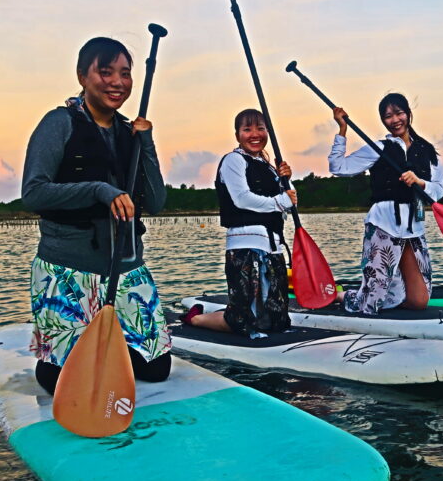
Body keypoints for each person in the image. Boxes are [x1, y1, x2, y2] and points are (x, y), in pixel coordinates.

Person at [21, 36, 171, 394]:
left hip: (126, 265)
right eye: (105, 72)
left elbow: (157, 202)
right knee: (62, 381)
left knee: (157, 369)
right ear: (82, 76)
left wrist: (145, 142)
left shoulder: (127, 131)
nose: (117, 82)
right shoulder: (59, 123)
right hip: (67, 268)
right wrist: (98, 190)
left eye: (125, 73)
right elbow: (34, 193)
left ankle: (105, 349)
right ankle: (59, 359)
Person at [328, 92, 443, 314]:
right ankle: (344, 295)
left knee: (419, 301)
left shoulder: (426, 150)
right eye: (388, 116)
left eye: (399, 113)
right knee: (370, 303)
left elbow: (438, 190)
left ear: (409, 114)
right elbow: (338, 167)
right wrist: (342, 130)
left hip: (413, 228)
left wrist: (419, 182)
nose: (395, 120)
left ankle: (391, 292)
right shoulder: (379, 147)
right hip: (383, 224)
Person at [184, 109, 296, 336]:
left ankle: (241, 314)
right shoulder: (233, 160)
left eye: (260, 128)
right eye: (247, 129)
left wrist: (286, 179)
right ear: (237, 134)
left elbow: (291, 201)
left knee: (278, 320)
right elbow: (242, 199)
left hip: (272, 244)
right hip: (245, 244)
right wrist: (281, 201)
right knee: (242, 321)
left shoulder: (268, 166)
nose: (255, 134)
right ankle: (195, 318)